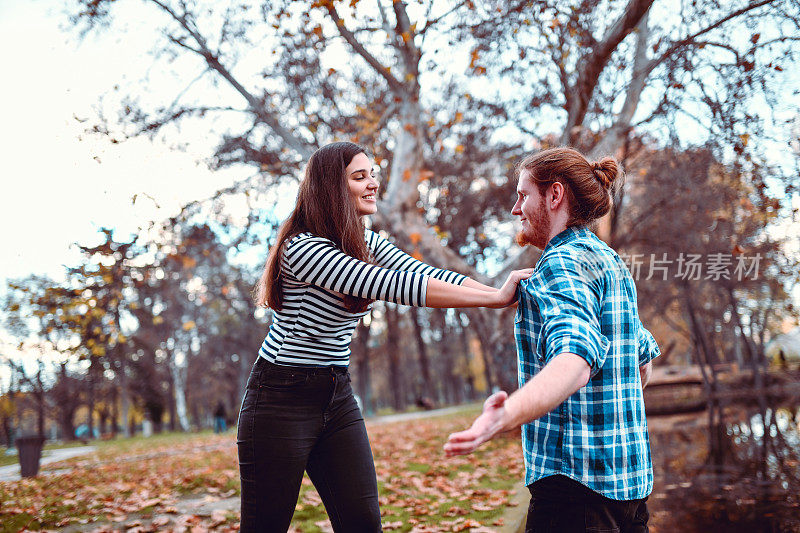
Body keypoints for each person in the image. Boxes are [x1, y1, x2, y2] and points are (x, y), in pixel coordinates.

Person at [238, 141, 532, 532]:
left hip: (336, 394)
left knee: (363, 523)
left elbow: (423, 274)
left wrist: (496, 291)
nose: (372, 183)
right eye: (359, 177)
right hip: (279, 398)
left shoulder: (366, 241)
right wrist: (495, 300)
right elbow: (391, 285)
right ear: (332, 189)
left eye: (372, 174)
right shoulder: (303, 248)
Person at [444, 147, 661, 533]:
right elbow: (640, 367)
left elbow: (574, 358)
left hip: (574, 495)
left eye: (523, 194)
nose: (516, 209)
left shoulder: (559, 262)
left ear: (554, 195)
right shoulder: (609, 261)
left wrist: (506, 415)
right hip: (630, 491)